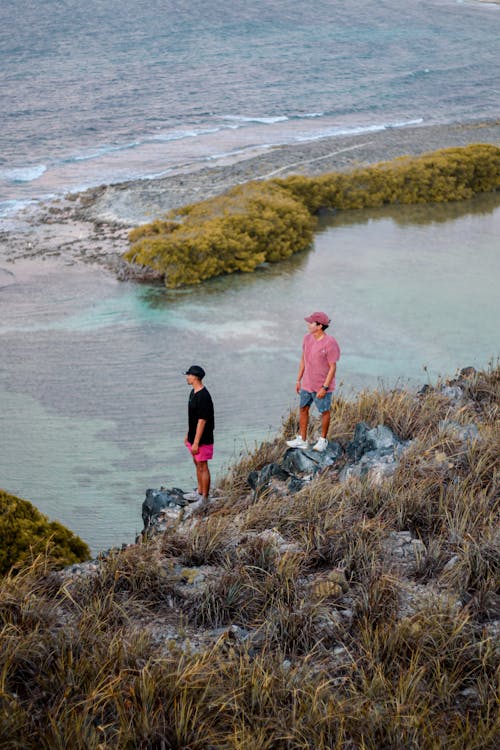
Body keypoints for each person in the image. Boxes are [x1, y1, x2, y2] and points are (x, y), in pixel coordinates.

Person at [286, 311, 340, 452]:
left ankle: (323, 440)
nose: (308, 324)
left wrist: (325, 387)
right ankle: (302, 440)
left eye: (311, 323)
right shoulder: (307, 339)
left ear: (320, 326)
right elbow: (303, 360)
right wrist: (298, 380)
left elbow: (333, 367)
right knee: (303, 408)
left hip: (322, 385)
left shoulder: (330, 343)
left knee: (324, 411)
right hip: (307, 383)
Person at [183, 365, 214, 503]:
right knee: (197, 463)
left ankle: (205, 498)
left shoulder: (203, 396)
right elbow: (193, 417)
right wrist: (188, 435)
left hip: (203, 438)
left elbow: (202, 421)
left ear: (195, 377)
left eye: (189, 375)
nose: (187, 377)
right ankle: (199, 491)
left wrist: (196, 442)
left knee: (203, 465)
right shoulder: (193, 393)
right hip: (193, 436)